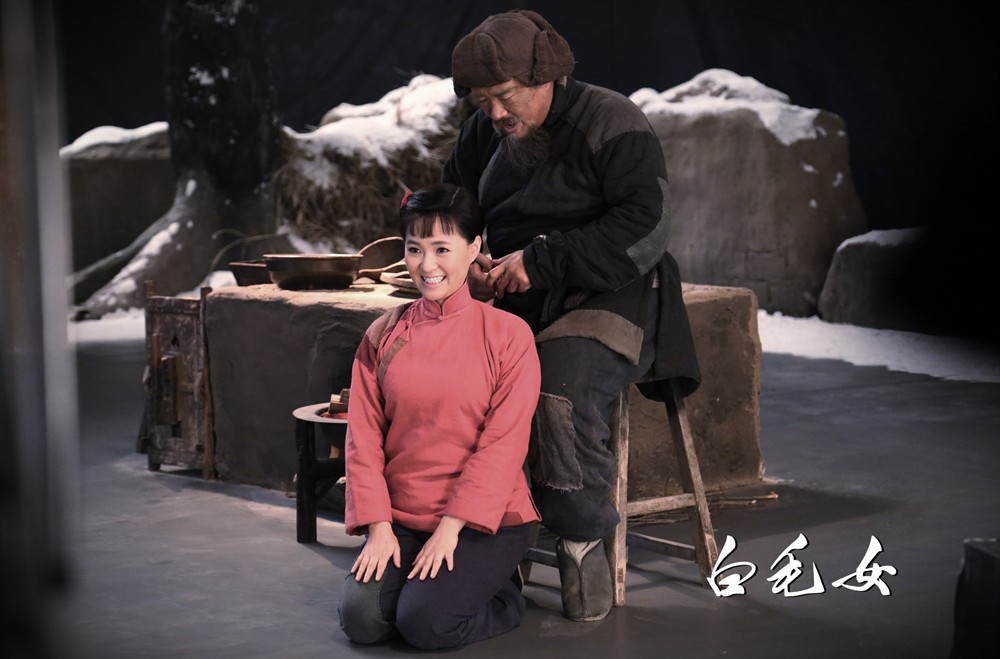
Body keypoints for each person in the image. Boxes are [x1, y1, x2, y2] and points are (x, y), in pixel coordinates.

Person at [443, 10, 701, 622]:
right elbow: (455, 207)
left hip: (610, 294)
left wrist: (542, 261)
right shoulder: (483, 134)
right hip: (516, 298)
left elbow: (645, 227)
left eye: (505, 96)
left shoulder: (611, 119)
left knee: (557, 390)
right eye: (482, 101)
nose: (495, 114)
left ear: (546, 76)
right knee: (452, 381)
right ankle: (486, 533)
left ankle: (580, 539)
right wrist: (462, 258)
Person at [338, 183, 542, 650]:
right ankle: (438, 589)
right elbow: (362, 438)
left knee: (425, 625)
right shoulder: (383, 334)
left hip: (485, 519)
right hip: (402, 516)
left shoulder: (509, 336)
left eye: (442, 249)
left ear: (474, 248)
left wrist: (451, 529)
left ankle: (505, 595)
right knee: (362, 621)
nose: (427, 265)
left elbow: (503, 447)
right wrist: (378, 527)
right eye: (414, 249)